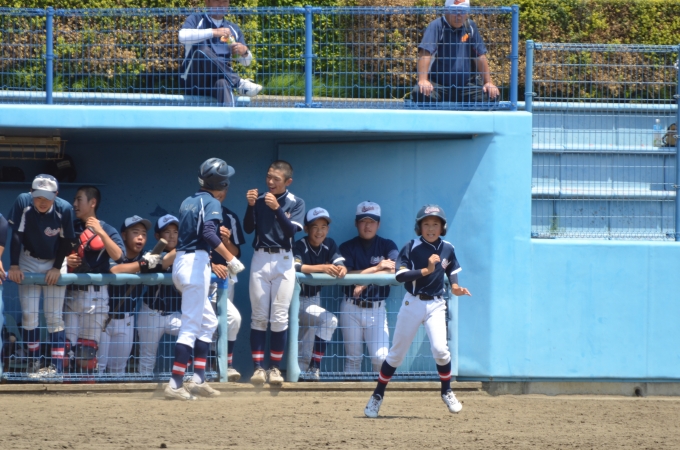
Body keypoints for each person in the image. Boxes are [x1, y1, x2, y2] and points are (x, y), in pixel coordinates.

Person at [364, 205, 472, 418]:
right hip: (412, 303)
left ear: (442, 227)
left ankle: (447, 391)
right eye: (426, 224)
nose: (431, 228)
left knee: (441, 350)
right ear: (419, 227)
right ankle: (377, 395)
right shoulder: (411, 246)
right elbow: (400, 275)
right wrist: (427, 270)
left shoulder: (447, 247)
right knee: (396, 355)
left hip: (436, 304)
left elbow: (451, 269)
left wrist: (455, 286)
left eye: (435, 224)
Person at [165, 158, 244, 400]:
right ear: (222, 183)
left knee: (208, 322)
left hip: (184, 263)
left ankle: (198, 379)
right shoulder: (212, 202)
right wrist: (230, 258)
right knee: (190, 326)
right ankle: (174, 384)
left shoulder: (187, 200)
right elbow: (209, 233)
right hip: (194, 265)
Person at [7, 174, 75, 380]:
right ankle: (34, 361)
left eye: (47, 196)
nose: (42, 201)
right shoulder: (23, 202)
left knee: (54, 315)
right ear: (31, 193)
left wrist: (56, 267)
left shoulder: (64, 208)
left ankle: (56, 368)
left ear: (56, 194)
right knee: (29, 314)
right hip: (28, 258)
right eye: (38, 196)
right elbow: (16, 234)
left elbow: (67, 241)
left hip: (55, 260)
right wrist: (14, 265)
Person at [243, 160, 305, 386]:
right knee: (259, 316)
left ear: (288, 181)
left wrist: (277, 209)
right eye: (268, 177)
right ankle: (258, 368)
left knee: (279, 317)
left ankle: (275, 368)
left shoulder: (295, 202)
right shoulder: (260, 199)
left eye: (276, 179)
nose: (270, 182)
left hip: (284, 259)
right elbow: (248, 228)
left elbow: (291, 231)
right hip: (260, 257)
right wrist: (251, 206)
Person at [65, 186, 125, 375]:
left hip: (96, 296)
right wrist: (66, 260)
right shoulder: (70, 227)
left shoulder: (106, 228)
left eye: (79, 199)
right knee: (65, 350)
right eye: (74, 200)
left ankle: (86, 391)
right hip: (71, 293)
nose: (74, 204)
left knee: (87, 352)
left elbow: (119, 256)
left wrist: (100, 232)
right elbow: (55, 253)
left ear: (92, 203)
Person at [339, 201, 398, 374]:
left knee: (381, 358)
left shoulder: (387, 245)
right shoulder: (347, 247)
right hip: (351, 307)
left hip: (377, 309)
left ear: (378, 224)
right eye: (363, 221)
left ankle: (377, 392)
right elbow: (346, 274)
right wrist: (377, 268)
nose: (367, 226)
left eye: (371, 221)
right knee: (353, 359)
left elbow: (395, 269)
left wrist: (364, 281)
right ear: (356, 223)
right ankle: (350, 393)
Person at [412, 0, 500, 104]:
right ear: (446, 10)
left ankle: (468, 115)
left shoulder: (470, 27)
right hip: (439, 86)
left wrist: (488, 82)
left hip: (466, 87)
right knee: (419, 92)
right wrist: (423, 80)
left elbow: (480, 56)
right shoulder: (437, 26)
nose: (459, 16)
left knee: (492, 95)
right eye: (454, 11)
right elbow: (425, 53)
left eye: (463, 11)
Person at [293, 207, 345, 381]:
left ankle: (306, 375)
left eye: (323, 227)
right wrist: (323, 268)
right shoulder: (299, 245)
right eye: (315, 227)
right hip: (296, 299)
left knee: (306, 343)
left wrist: (341, 269)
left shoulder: (329, 244)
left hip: (314, 299)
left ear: (327, 229)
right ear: (306, 229)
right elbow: (296, 267)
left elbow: (340, 263)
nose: (319, 231)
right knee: (329, 320)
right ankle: (314, 367)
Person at [179, 0, 262, 107]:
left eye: (225, 1)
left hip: (216, 83)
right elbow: (182, 36)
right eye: (217, 1)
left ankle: (229, 117)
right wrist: (214, 32)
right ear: (207, 2)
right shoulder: (197, 19)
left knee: (223, 82)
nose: (221, 4)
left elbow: (246, 62)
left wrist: (244, 52)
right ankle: (238, 83)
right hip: (194, 80)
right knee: (202, 51)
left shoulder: (233, 29)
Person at [99, 215, 154, 375]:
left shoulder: (146, 256)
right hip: (103, 318)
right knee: (97, 368)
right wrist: (141, 265)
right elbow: (114, 270)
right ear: (124, 235)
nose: (140, 237)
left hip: (126, 320)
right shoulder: (114, 252)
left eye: (143, 234)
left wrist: (152, 262)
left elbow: (162, 262)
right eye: (135, 232)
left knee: (118, 370)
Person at [136, 215, 182, 377]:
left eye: (175, 232)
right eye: (167, 232)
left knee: (198, 332)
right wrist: (186, 244)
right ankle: (143, 387)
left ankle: (190, 375)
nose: (172, 236)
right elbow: (164, 262)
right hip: (151, 313)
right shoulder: (151, 254)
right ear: (158, 236)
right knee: (147, 358)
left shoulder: (185, 256)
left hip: (174, 315)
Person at [209, 181, 245, 383]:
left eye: (222, 189)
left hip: (226, 278)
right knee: (220, 321)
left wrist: (227, 241)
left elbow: (236, 253)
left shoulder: (230, 217)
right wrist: (210, 264)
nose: (218, 193)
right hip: (204, 277)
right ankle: (218, 366)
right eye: (215, 188)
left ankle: (222, 365)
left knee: (223, 323)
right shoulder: (198, 213)